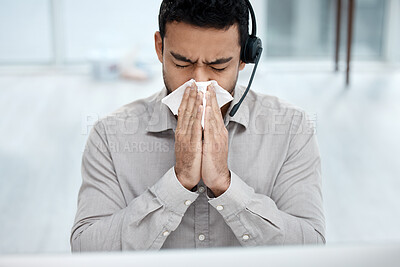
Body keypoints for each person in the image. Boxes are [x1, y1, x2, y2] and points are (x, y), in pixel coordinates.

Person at [71, 0, 325, 251]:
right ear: (160, 48)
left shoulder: (292, 129)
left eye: (218, 66)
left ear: (245, 57)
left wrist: (226, 186)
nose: (198, 82)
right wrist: (177, 183)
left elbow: (311, 247)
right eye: (182, 63)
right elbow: (86, 249)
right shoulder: (109, 135)